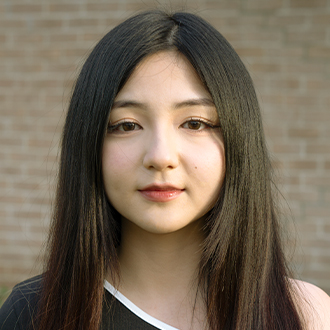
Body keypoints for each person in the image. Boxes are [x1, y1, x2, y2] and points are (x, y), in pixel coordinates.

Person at [1, 9, 330, 330]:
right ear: (89, 142)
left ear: (238, 140)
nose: (160, 156)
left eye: (194, 123)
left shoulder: (303, 315)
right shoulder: (35, 312)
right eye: (127, 125)